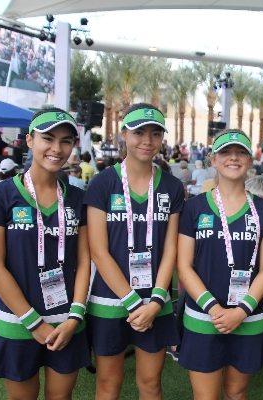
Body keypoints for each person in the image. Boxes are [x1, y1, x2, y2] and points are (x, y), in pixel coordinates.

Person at [0, 108, 91, 398]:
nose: (57, 148)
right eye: (48, 138)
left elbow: (83, 262)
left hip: (67, 321)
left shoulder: (78, 198)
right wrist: (34, 323)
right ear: (29, 140)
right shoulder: (0, 195)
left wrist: (75, 317)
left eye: (66, 141)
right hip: (17, 322)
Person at [85, 103, 183, 399]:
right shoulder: (103, 182)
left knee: (151, 384)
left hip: (155, 301)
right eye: (139, 132)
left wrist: (154, 302)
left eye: (155, 133)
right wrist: (132, 301)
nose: (147, 140)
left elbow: (171, 249)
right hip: (109, 301)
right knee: (107, 384)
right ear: (123, 134)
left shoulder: (172, 186)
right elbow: (98, 251)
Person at [177, 129, 263, 399]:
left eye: (241, 152)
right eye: (226, 152)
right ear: (213, 159)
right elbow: (184, 265)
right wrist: (214, 308)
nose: (233, 158)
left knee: (236, 392)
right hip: (203, 317)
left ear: (250, 159)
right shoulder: (194, 208)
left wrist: (241, 311)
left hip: (249, 317)